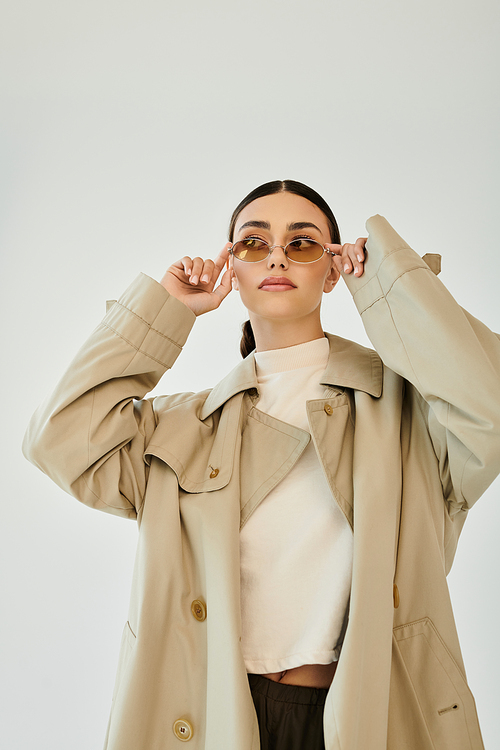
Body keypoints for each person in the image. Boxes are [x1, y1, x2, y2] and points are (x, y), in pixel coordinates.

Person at [22, 180, 500, 750]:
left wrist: (392, 290)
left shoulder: (409, 412)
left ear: (333, 269)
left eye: (302, 243)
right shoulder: (180, 428)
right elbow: (59, 438)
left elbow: (487, 408)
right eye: (253, 243)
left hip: (370, 712)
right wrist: (165, 312)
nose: (276, 255)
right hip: (210, 715)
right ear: (233, 270)